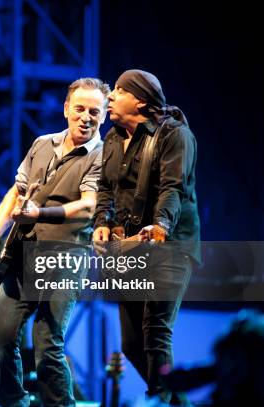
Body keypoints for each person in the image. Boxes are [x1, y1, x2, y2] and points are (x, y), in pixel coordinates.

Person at [0, 78, 110, 407]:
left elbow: (89, 204)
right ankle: (14, 402)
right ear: (66, 109)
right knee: (0, 338)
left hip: (65, 257)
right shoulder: (42, 144)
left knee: (47, 344)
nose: (86, 117)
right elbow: (16, 192)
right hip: (23, 254)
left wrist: (40, 213)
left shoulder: (103, 156)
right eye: (79, 109)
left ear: (104, 116)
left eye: (94, 111)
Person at [92, 69, 200, 403]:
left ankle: (159, 400)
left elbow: (173, 189)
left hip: (170, 245)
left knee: (155, 331)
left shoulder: (174, 135)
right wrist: (101, 222)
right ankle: (175, 401)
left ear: (140, 99)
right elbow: (106, 188)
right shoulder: (112, 138)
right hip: (129, 250)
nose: (111, 96)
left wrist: (161, 227)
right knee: (131, 344)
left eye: (119, 90)